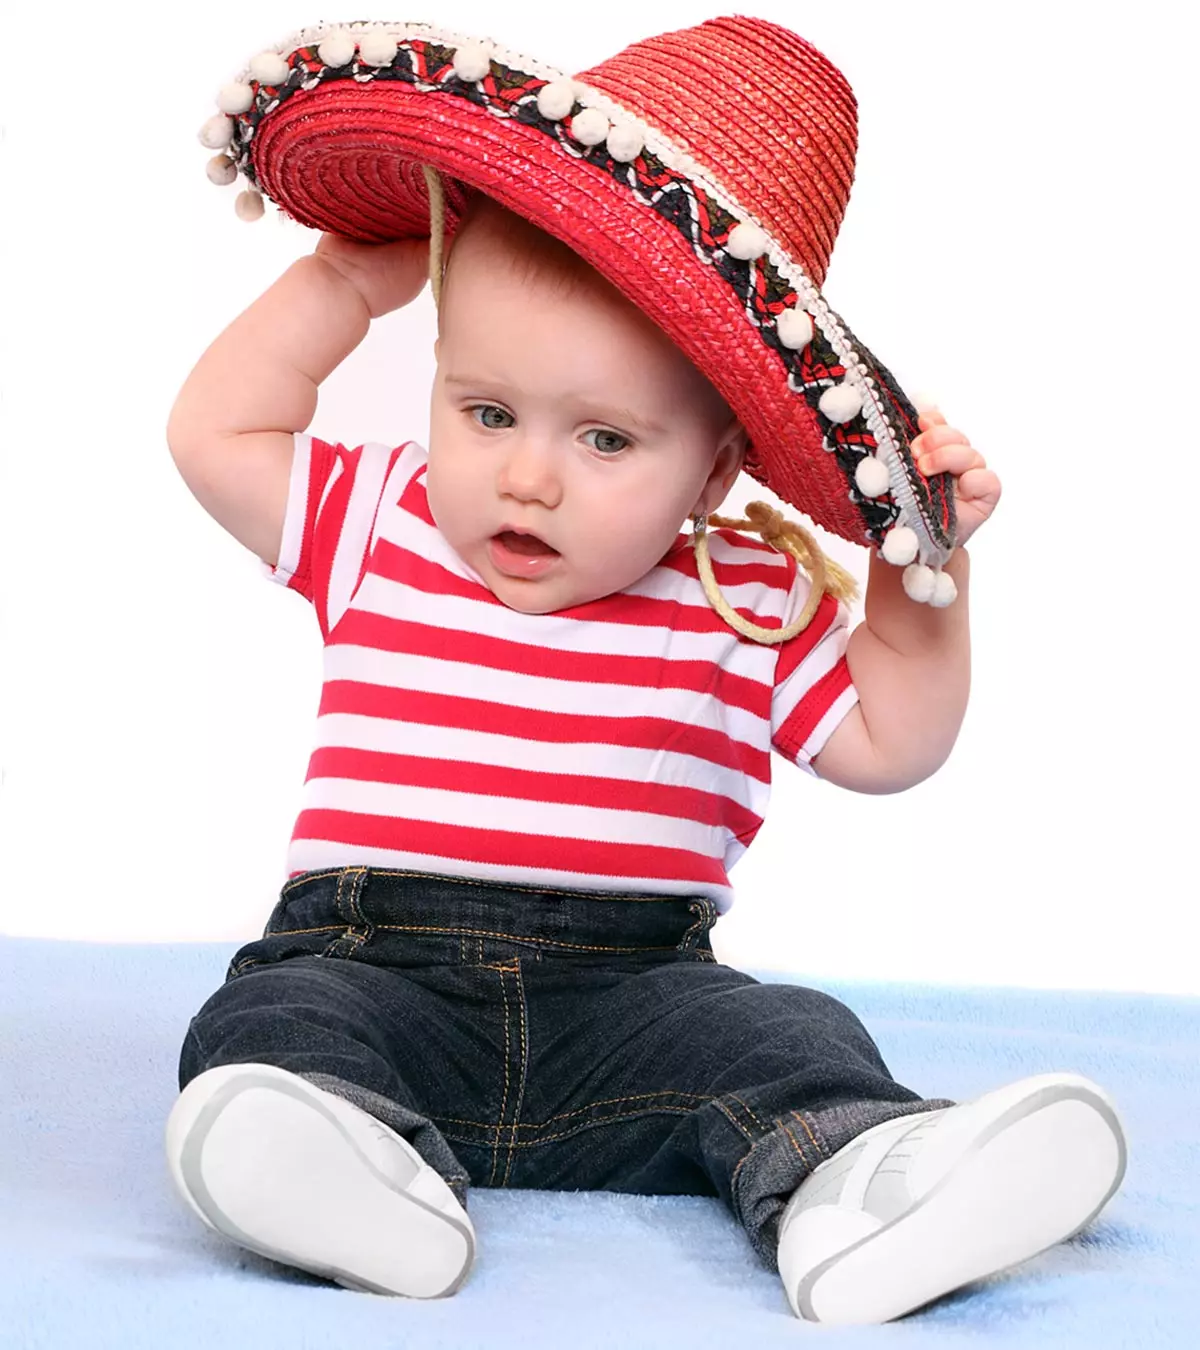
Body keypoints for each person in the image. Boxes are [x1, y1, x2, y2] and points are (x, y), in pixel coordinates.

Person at [164, 16, 1126, 1325]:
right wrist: (340, 286)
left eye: (607, 437)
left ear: (717, 467)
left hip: (634, 1007)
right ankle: (349, 1165)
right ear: (437, 381)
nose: (529, 473)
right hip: (376, 961)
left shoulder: (745, 591)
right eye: (486, 410)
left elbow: (892, 737)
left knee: (789, 1037)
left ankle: (867, 1183)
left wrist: (921, 564)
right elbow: (219, 430)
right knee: (272, 1022)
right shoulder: (377, 519)